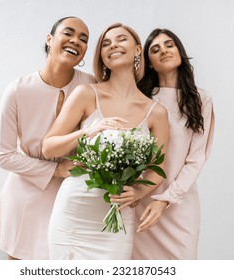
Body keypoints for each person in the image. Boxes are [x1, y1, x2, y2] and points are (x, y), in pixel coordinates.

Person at [41, 23, 169, 260]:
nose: (113, 46)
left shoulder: (157, 112)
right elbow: (48, 147)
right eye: (106, 44)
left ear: (138, 49)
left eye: (121, 39)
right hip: (74, 212)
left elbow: (157, 169)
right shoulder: (86, 94)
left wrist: (138, 192)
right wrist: (89, 131)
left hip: (117, 217)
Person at [0, 16, 95, 260]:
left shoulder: (91, 85)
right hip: (27, 190)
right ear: (50, 39)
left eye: (83, 39)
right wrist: (55, 171)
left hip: (73, 193)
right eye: (68, 33)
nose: (75, 41)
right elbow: (4, 156)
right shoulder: (18, 90)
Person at [133, 28, 215, 259]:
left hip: (180, 204)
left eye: (169, 45)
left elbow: (196, 159)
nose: (164, 51)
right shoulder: (141, 99)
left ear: (179, 51)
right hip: (142, 201)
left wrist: (165, 200)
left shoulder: (201, 99)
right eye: (155, 49)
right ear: (148, 62)